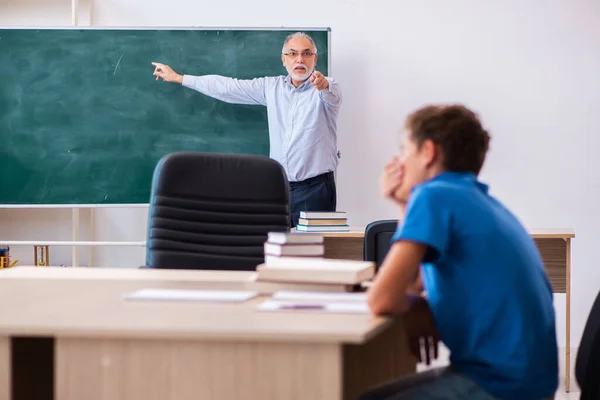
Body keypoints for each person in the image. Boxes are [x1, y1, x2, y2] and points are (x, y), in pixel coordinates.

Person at [361, 104, 558, 400]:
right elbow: (413, 284)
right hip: (527, 382)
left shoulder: (434, 195)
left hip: (499, 386)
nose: (400, 161)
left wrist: (414, 306)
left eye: (405, 150)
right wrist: (403, 206)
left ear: (428, 152)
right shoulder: (475, 199)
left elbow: (382, 299)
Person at [151, 32, 342, 227]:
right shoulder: (271, 87)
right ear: (283, 59)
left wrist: (324, 85)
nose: (299, 59)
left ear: (315, 59)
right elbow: (227, 87)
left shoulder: (326, 88)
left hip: (316, 189)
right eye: (292, 54)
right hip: (278, 188)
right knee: (276, 250)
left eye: (306, 53)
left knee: (318, 251)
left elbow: (331, 93)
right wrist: (180, 78)